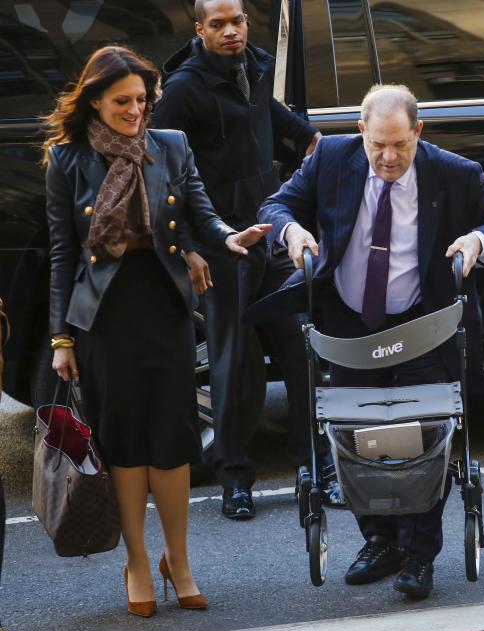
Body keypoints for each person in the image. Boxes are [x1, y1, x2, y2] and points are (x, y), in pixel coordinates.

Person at [256, 84, 484, 598]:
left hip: (423, 324)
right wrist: (291, 232)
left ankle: (419, 555)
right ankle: (379, 541)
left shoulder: (453, 172)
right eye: (377, 144)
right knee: (361, 438)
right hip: (352, 322)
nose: (388, 157)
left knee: (420, 439)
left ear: (418, 133)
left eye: (400, 146)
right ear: (360, 132)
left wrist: (478, 240)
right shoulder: (332, 158)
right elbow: (277, 204)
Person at [44, 46, 270, 616]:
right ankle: (138, 564)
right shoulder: (67, 160)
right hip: (103, 322)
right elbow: (62, 254)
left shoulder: (170, 145)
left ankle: (180, 559)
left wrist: (223, 239)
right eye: (122, 101)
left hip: (165, 310)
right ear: (95, 100)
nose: (135, 111)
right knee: (123, 445)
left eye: (143, 100)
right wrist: (61, 339)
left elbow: (200, 211)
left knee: (171, 445)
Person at [152, 0, 332, 520]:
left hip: (270, 238)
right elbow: (161, 177)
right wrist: (186, 246)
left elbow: (275, 123)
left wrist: (314, 142)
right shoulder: (184, 90)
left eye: (238, 21)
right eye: (219, 25)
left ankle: (315, 471)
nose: (231, 32)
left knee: (303, 354)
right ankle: (235, 481)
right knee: (236, 367)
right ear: (199, 30)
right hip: (221, 246)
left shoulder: (253, 66)